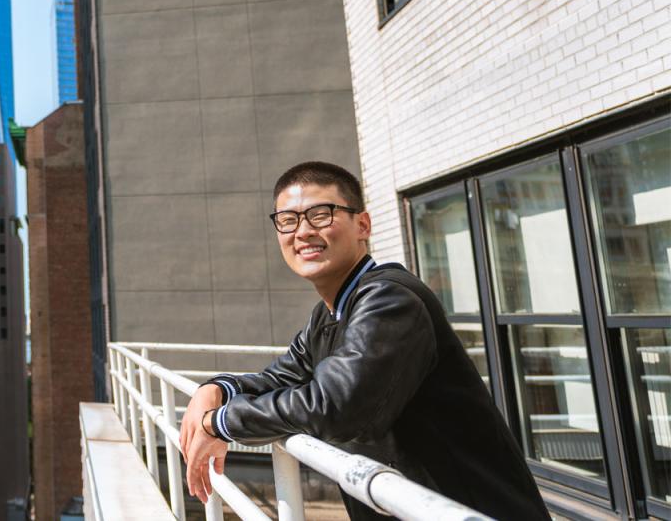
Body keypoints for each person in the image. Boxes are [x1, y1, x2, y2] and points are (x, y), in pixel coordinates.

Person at [178, 161, 548, 520]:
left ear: (363, 225)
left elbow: (336, 406)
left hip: (466, 510)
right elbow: (281, 378)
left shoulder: (391, 299)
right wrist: (216, 389)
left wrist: (220, 423)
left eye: (321, 214)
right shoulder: (329, 314)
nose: (303, 231)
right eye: (288, 220)